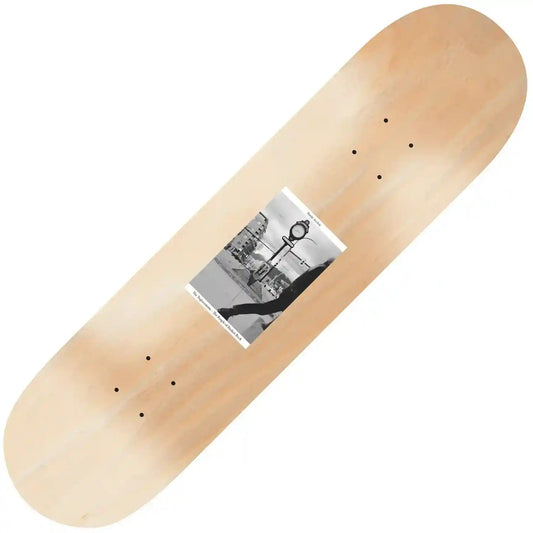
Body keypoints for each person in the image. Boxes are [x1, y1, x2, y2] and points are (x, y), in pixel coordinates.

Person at [218, 258, 334, 321]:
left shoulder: (318, 267)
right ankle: (229, 311)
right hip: (291, 298)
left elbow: (301, 281)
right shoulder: (321, 270)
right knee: (263, 309)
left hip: (290, 295)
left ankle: (230, 311)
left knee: (264, 310)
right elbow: (304, 284)